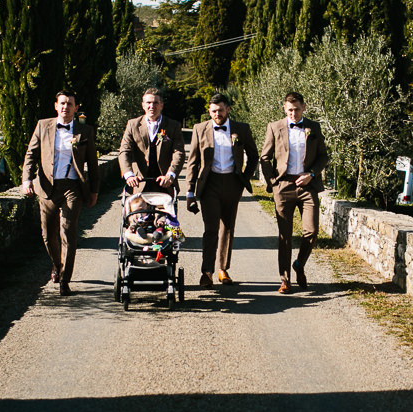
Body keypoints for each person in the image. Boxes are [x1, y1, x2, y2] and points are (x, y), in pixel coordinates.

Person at [22, 90, 100, 296]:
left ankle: (65, 279)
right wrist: (26, 179)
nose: (66, 107)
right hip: (47, 186)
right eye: (62, 103)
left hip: (72, 187)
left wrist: (94, 191)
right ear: (56, 106)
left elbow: (92, 164)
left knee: (68, 231)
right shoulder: (43, 125)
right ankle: (57, 265)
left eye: (70, 104)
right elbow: (31, 154)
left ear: (75, 108)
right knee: (48, 235)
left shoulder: (85, 131)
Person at [185, 93, 258, 288]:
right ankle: (206, 272)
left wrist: (244, 177)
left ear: (228, 110)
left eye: (221, 110)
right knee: (211, 229)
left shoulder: (241, 129)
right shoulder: (200, 129)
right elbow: (192, 162)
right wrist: (190, 191)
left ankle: (223, 269)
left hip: (233, 182)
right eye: (213, 111)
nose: (217, 114)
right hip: (210, 184)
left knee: (228, 227)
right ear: (209, 111)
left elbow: (253, 155)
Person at [259, 91, 328, 294]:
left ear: (304, 108)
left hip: (308, 186)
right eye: (290, 110)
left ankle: (299, 264)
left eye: (297, 109)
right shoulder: (274, 127)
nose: (293, 114)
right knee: (284, 236)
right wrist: (273, 182)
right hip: (284, 186)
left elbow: (323, 157)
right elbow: (265, 157)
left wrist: (312, 174)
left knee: (312, 230)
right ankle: (285, 279)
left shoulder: (313, 127)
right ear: (284, 109)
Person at [118, 87, 185, 194]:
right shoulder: (133, 125)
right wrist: (129, 175)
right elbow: (124, 151)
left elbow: (179, 152)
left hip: (165, 183)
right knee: (137, 211)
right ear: (143, 105)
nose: (152, 106)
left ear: (161, 105)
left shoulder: (173, 126)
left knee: (166, 210)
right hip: (139, 183)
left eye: (155, 103)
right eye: (148, 103)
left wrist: (171, 174)